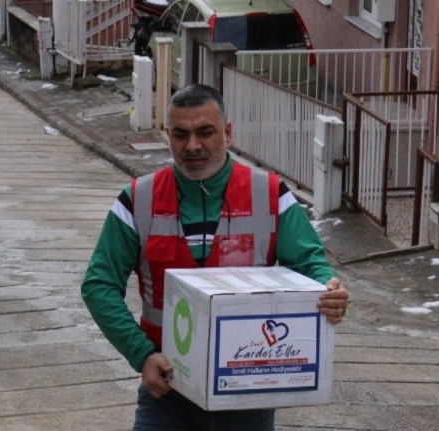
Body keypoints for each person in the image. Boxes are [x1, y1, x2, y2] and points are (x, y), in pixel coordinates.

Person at [81, 83, 349, 431]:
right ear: (168, 135)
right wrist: (141, 355)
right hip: (167, 391)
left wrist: (328, 291)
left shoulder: (270, 194)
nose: (192, 145)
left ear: (228, 132)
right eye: (180, 134)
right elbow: (99, 285)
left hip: (248, 394)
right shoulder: (138, 199)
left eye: (205, 132)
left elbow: (310, 263)